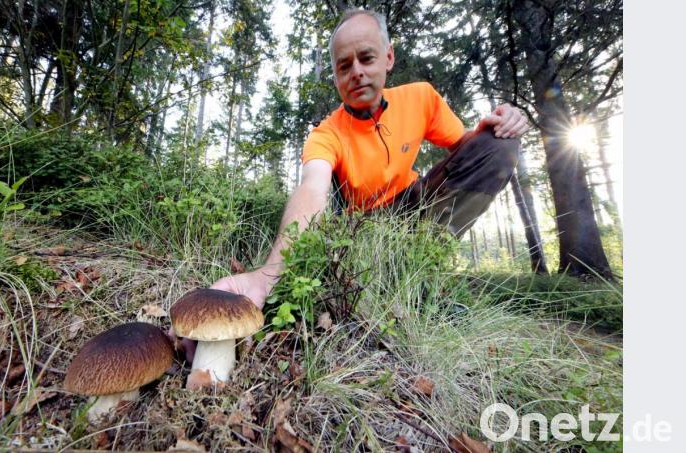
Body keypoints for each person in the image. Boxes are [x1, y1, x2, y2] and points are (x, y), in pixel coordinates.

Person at [174, 8, 529, 361]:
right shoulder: (326, 134)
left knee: (499, 146)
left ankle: (423, 275)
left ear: (388, 57)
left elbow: (465, 150)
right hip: (365, 228)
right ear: (335, 78)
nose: (357, 72)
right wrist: (267, 276)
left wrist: (501, 125)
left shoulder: (421, 98)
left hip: (416, 202)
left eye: (367, 58)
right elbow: (313, 188)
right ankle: (400, 285)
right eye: (344, 65)